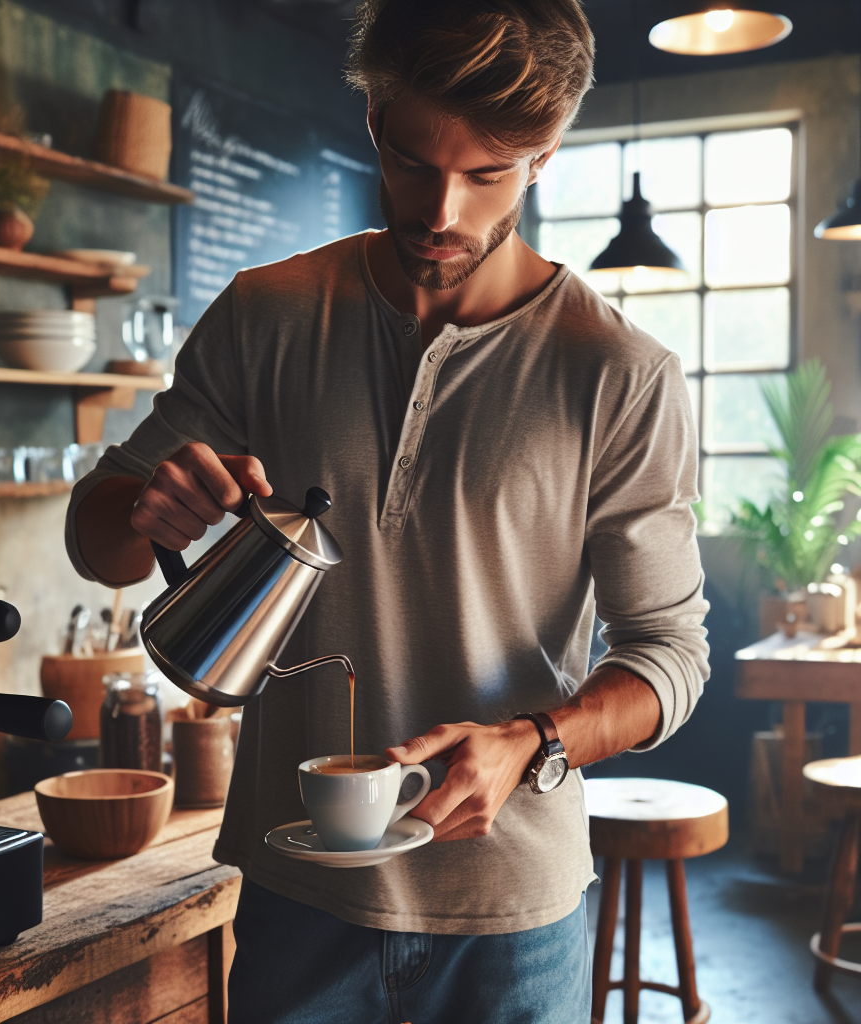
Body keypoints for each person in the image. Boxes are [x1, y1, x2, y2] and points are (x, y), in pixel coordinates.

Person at [66, 1, 709, 1020]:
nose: (441, 210)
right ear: (372, 119)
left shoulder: (619, 373)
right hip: (295, 895)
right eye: (412, 158)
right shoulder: (265, 312)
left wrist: (532, 739)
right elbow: (96, 540)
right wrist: (148, 506)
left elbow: (666, 658)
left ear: (542, 156)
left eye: (487, 172)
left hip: (512, 918)